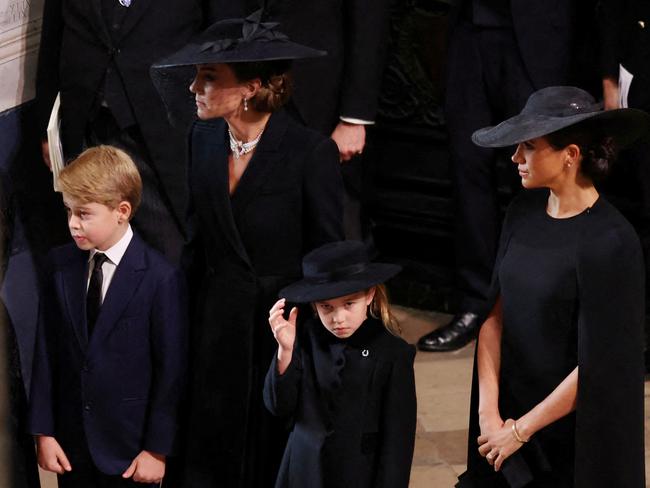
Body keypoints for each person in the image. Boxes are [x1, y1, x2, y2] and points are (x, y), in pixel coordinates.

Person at [152, 12, 345, 487]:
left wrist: (300, 344)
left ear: (250, 87)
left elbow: (325, 258)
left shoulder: (308, 152)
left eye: (209, 77)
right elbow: (197, 239)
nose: (193, 87)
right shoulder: (201, 138)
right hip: (213, 326)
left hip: (274, 329)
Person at [456, 86, 649, 488]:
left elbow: (601, 365)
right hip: (507, 418)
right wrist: (489, 414)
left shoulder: (612, 242)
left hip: (572, 436)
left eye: (528, 147)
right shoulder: (520, 212)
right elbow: (494, 314)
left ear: (570, 155)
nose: (515, 159)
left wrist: (521, 431)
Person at [418, 0, 593, 352]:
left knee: (542, 172)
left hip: (541, 34)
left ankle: (542, 309)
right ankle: (475, 307)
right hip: (469, 31)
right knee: (468, 171)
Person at [28, 145, 188, 487]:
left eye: (84, 214)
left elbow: (170, 371)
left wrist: (157, 450)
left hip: (130, 452)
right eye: (68, 211)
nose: (72, 224)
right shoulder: (59, 265)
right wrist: (44, 431)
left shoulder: (160, 278)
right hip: (72, 447)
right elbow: (46, 353)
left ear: (122, 211)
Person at [35, 0, 240, 261]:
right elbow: (53, 32)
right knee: (100, 253)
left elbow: (226, 31)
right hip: (87, 120)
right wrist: (45, 127)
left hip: (168, 127)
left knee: (171, 250)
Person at [264, 240, 416, 488]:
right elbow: (278, 406)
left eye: (349, 304)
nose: (338, 319)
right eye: (327, 307)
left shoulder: (393, 354)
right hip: (302, 471)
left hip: (356, 475)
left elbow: (397, 443)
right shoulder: (303, 338)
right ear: (314, 305)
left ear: (370, 295)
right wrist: (285, 350)